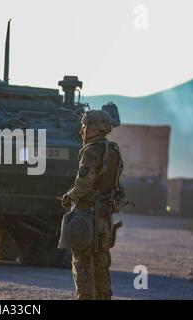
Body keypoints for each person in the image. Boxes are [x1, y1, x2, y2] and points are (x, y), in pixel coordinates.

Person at [60, 110, 125, 300]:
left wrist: (69, 197)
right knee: (101, 263)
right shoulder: (114, 151)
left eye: (85, 126)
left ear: (95, 127)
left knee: (82, 263)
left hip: (87, 216)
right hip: (104, 216)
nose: (82, 131)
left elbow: (84, 183)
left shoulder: (91, 151)